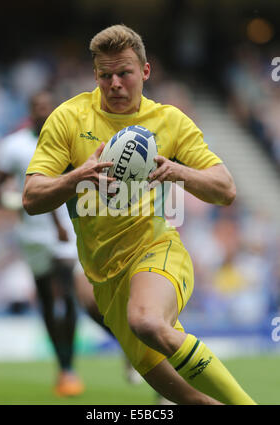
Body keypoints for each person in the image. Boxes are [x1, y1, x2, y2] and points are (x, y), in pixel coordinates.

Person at [22, 25, 256, 405]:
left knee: (148, 322)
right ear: (95, 74)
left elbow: (225, 189)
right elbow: (31, 197)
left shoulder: (170, 121)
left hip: (156, 251)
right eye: (104, 75)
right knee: (192, 401)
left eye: (124, 73)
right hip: (105, 280)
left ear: (144, 72)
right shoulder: (68, 119)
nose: (114, 83)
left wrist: (178, 171)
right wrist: (77, 177)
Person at [0, 91, 85, 397]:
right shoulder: (14, 146)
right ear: (31, 111)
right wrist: (21, 203)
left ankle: (69, 368)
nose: (44, 111)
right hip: (32, 234)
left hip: (64, 233)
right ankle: (63, 368)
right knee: (46, 300)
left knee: (68, 292)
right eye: (38, 107)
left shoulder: (67, 143)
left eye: (48, 107)